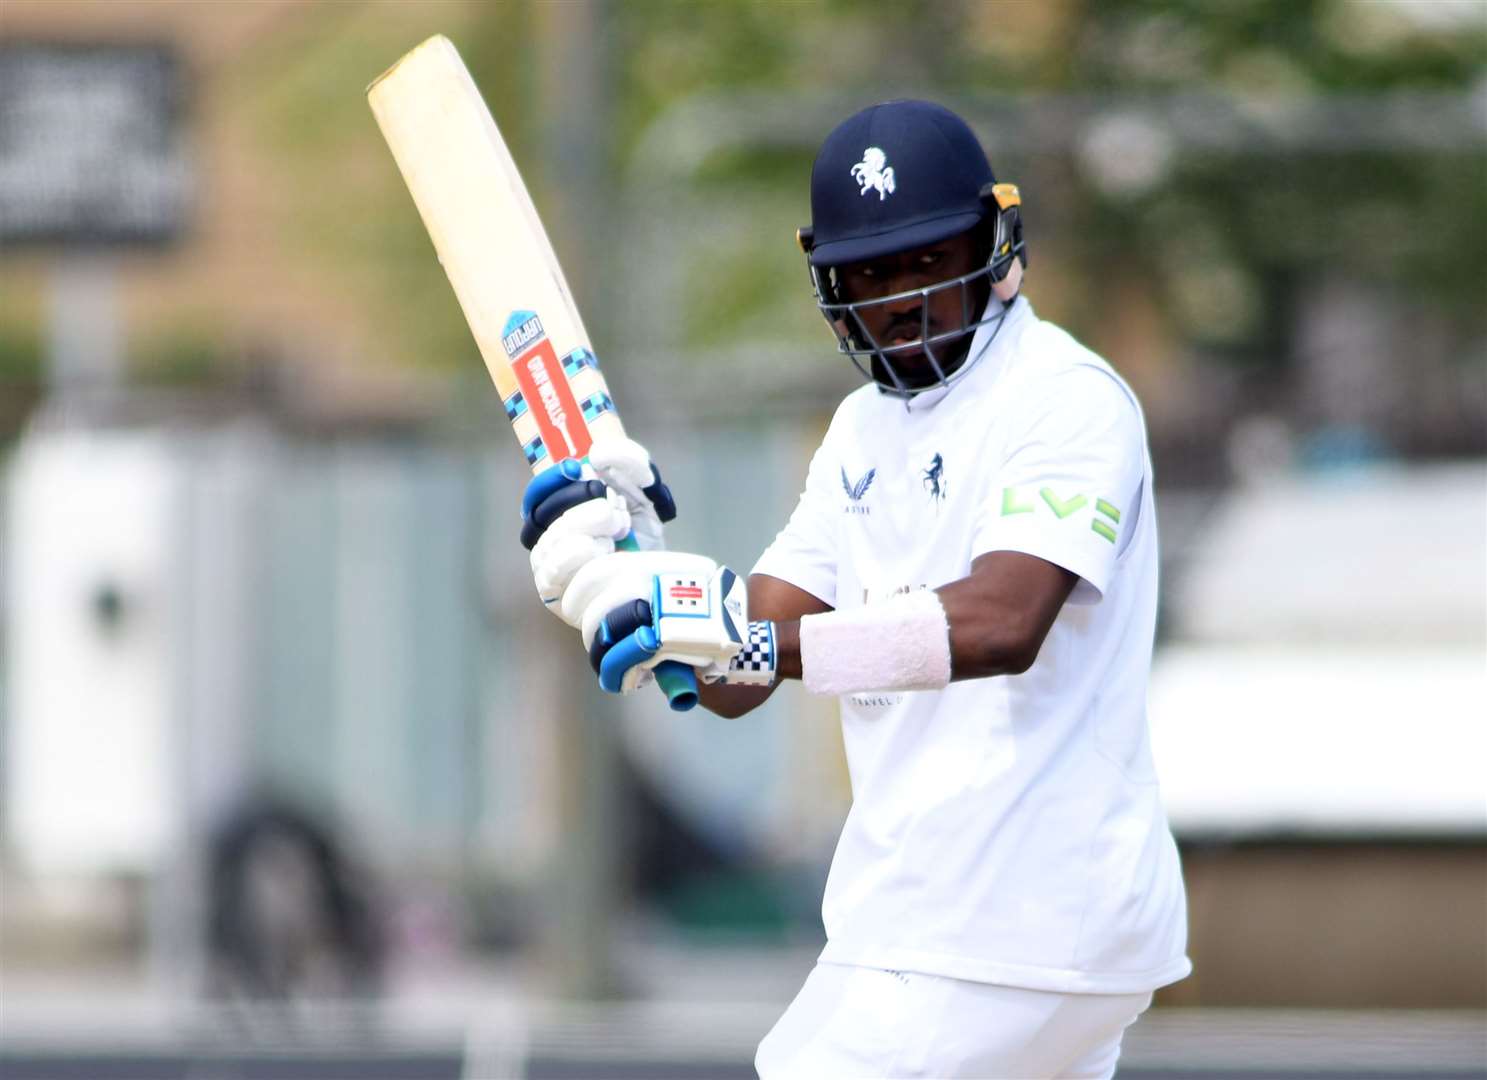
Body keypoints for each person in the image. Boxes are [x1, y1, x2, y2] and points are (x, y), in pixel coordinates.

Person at [521, 99, 1190, 1079]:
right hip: (919, 922)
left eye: (929, 259)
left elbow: (1004, 622)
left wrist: (736, 637)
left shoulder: (1063, 397)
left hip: (1013, 919)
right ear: (830, 283)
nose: (903, 298)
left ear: (992, 245)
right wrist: (633, 573)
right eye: (872, 273)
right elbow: (737, 674)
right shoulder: (860, 435)